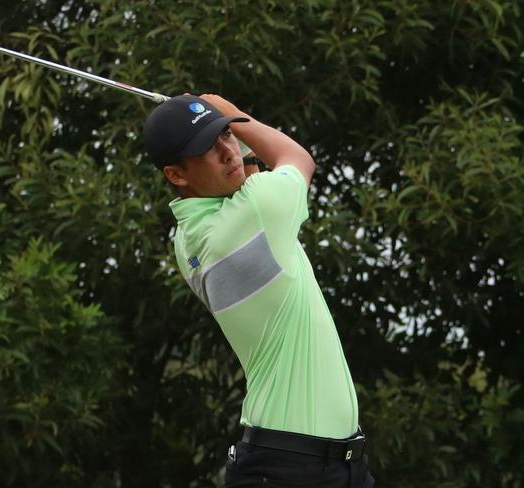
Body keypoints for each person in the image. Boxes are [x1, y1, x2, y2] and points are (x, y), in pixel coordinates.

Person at [143, 94, 374, 488]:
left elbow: (241, 180)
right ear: (176, 175)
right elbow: (298, 159)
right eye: (206, 149)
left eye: (225, 137)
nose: (227, 152)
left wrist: (225, 127)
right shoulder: (255, 212)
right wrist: (233, 114)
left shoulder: (190, 238)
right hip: (292, 467)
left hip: (317, 463)